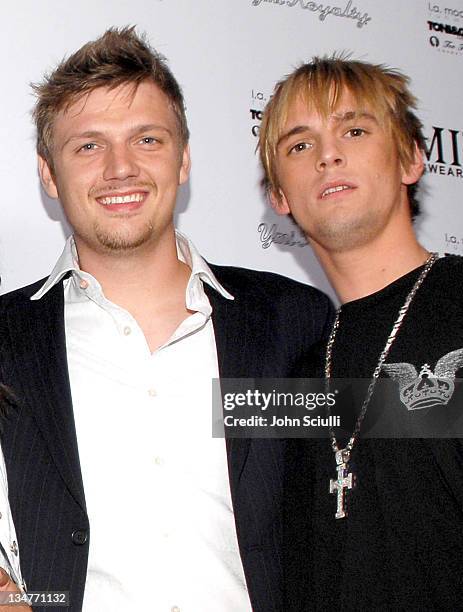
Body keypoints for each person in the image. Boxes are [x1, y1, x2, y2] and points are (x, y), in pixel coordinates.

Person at [0, 28, 332, 612]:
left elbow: (366, 500)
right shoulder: (5, 339)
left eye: (147, 140)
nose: (120, 169)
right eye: (88, 146)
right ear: (49, 175)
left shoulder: (290, 320)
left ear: (184, 160)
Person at [258, 56, 463, 609]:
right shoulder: (295, 369)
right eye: (299, 145)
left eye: (354, 130)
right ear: (279, 197)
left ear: (412, 159)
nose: (328, 155)